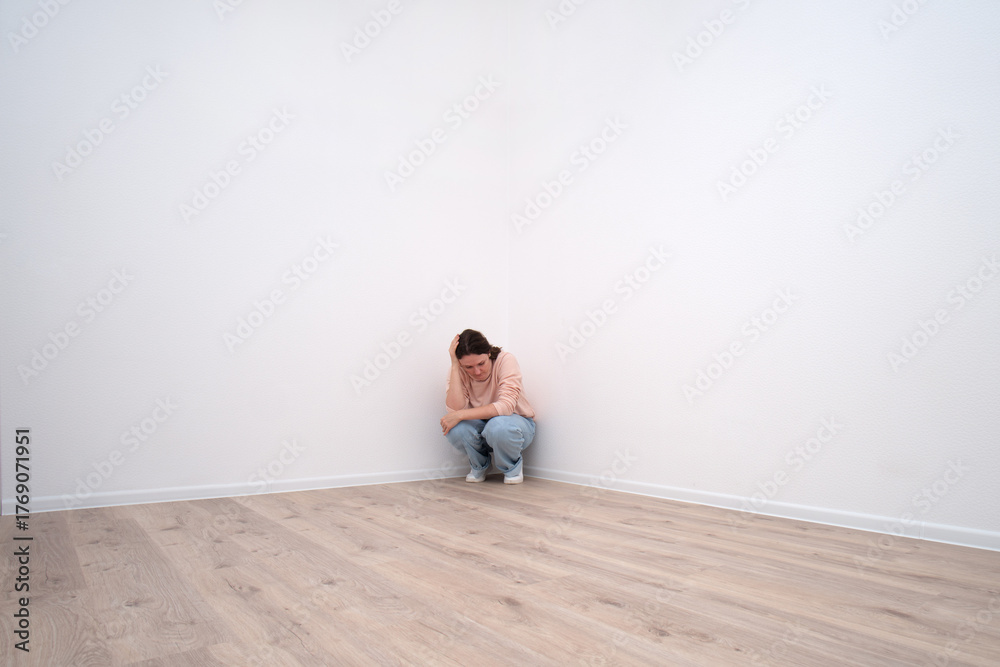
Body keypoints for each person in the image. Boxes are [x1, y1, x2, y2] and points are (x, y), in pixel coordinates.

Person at [441, 329, 536, 484]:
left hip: (514, 426)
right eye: (468, 367)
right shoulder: (458, 369)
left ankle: (511, 468)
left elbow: (506, 406)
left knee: (498, 425)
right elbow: (455, 409)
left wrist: (460, 415)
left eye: (481, 363)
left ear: (489, 353)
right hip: (483, 428)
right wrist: (454, 366)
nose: (477, 371)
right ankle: (479, 466)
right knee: (456, 428)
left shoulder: (505, 360)